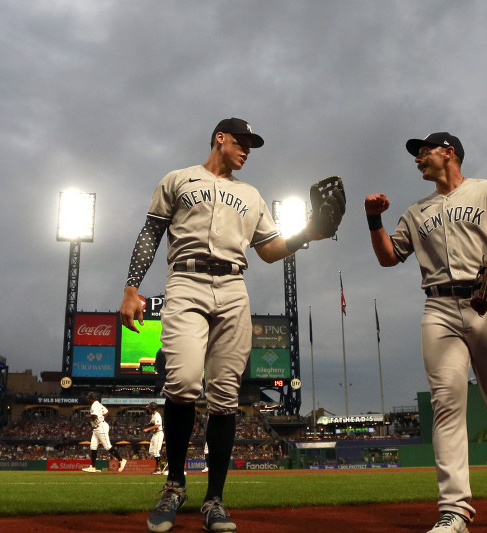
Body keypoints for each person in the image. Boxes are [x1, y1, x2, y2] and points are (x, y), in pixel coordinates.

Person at [120, 117, 339, 533]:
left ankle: (214, 500)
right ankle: (174, 485)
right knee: (183, 380)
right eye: (241, 142)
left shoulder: (251, 195)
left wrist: (308, 231)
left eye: (251, 145)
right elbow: (150, 233)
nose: (247, 150)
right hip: (185, 280)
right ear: (220, 138)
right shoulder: (179, 179)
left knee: (223, 396)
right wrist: (132, 288)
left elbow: (270, 251)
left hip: (234, 286)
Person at [364, 131, 487, 532]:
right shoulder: (415, 211)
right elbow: (390, 257)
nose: (418, 160)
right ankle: (455, 508)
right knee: (445, 407)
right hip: (439, 307)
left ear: (448, 153)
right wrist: (373, 219)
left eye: (424, 152)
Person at [82, 392, 127, 473]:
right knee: (93, 447)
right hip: (96, 428)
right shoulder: (99, 404)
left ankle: (121, 460)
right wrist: (102, 417)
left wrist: (88, 416)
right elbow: (107, 412)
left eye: (89, 398)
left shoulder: (95, 404)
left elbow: (94, 415)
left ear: (92, 398)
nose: (88, 400)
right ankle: (93, 467)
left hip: (100, 427)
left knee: (107, 446)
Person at [143, 402, 166, 474]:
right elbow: (152, 424)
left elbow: (157, 426)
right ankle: (163, 464)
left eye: (149, 408)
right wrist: (148, 427)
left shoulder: (157, 415)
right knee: (151, 451)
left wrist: (148, 429)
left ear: (152, 408)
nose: (148, 409)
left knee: (156, 452)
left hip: (159, 433)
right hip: (154, 434)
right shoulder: (153, 415)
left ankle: (158, 469)